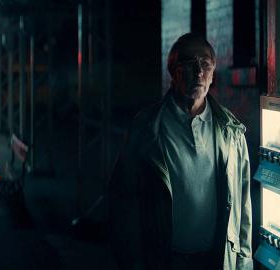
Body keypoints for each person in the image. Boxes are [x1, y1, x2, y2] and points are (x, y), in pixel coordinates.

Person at [107, 33, 253, 270]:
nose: (198, 72)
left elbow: (243, 205)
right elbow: (122, 201)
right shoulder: (146, 128)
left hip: (217, 259)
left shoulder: (231, 131)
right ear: (173, 72)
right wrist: (132, 260)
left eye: (205, 64)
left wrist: (244, 263)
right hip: (164, 261)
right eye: (188, 63)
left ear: (213, 72)